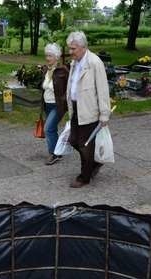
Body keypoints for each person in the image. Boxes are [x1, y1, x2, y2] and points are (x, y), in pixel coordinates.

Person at [65, 31, 111, 188]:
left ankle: (84, 177)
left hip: (90, 111)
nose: (70, 52)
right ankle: (94, 163)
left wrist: (104, 114)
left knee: (85, 144)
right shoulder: (75, 62)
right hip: (77, 108)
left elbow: (103, 90)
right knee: (73, 141)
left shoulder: (94, 62)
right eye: (69, 48)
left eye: (73, 49)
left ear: (83, 47)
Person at [40, 43, 69, 165]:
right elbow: (43, 87)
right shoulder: (46, 70)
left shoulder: (62, 71)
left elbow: (70, 87)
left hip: (57, 106)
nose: (47, 58)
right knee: (52, 129)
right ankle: (59, 151)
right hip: (47, 105)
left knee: (48, 129)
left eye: (50, 56)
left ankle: (55, 154)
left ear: (56, 57)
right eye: (46, 55)